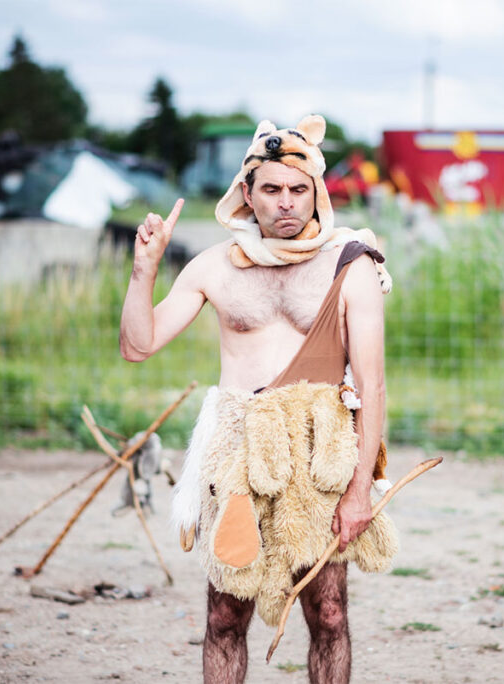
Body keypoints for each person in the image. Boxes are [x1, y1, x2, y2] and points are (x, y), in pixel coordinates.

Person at [119, 115, 392, 684]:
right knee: (224, 615)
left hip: (321, 454)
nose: (286, 202)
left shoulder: (352, 263)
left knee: (330, 614)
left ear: (317, 192)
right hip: (238, 453)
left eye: (299, 189)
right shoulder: (215, 266)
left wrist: (361, 489)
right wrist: (144, 269)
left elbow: (372, 386)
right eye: (271, 189)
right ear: (247, 194)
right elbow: (138, 345)